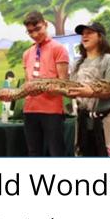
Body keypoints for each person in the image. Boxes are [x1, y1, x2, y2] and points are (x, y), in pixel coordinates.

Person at [68, 22, 110, 156]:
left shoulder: (109, 60)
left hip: (107, 119)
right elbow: (71, 90)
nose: (84, 36)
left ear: (100, 37)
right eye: (83, 34)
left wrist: (90, 92)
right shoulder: (77, 64)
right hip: (84, 121)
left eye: (89, 33)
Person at [22, 11, 69, 156]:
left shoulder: (58, 49)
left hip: (52, 111)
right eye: (30, 32)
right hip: (30, 110)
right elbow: (27, 83)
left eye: (37, 29)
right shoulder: (27, 53)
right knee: (33, 152)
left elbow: (63, 84)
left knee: (56, 152)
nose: (35, 35)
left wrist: (45, 88)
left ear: (45, 24)